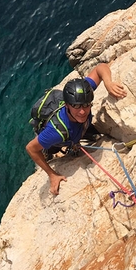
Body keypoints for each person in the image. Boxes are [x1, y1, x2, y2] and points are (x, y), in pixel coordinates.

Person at [26, 63, 126, 195]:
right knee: (52, 149)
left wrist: (108, 84)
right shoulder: (55, 132)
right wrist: (52, 174)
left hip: (79, 128)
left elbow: (100, 68)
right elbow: (31, 149)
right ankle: (51, 152)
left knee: (86, 128)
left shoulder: (82, 96)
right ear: (67, 105)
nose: (83, 111)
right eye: (76, 106)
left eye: (86, 105)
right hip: (60, 138)